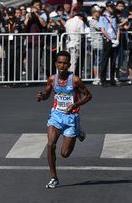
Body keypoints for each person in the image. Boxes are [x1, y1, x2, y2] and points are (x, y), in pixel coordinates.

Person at [36, 51, 92, 189]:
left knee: (64, 154)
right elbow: (47, 94)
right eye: (59, 62)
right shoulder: (51, 79)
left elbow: (88, 96)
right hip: (56, 116)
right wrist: (41, 96)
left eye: (65, 63)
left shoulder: (75, 80)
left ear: (69, 64)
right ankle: (54, 178)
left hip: (71, 118)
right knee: (50, 145)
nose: (62, 65)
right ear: (56, 64)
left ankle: (78, 130)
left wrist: (75, 104)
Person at [99, 0, 120, 87]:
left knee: (114, 61)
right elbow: (103, 30)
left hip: (115, 41)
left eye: (113, 7)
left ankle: (112, 79)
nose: (112, 8)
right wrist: (111, 39)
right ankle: (103, 80)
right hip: (108, 41)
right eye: (110, 7)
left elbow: (118, 29)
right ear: (107, 7)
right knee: (105, 60)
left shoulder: (115, 17)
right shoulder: (102, 17)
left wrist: (117, 39)